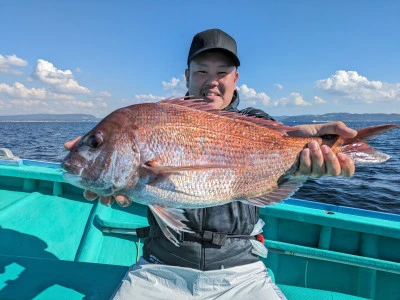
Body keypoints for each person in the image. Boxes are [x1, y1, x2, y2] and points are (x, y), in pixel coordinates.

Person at [65, 29, 356, 299]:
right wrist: (100, 164)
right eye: (202, 71)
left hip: (241, 271)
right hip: (160, 267)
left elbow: (284, 142)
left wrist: (312, 159)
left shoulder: (258, 121)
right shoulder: (157, 117)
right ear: (186, 76)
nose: (212, 81)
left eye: (222, 72)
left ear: (235, 79)